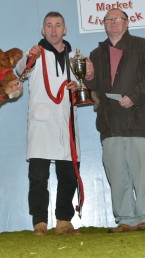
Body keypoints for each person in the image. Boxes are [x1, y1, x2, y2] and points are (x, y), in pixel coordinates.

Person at [15, 11, 82, 236]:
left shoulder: (75, 58)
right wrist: (29, 57)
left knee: (69, 175)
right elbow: (20, 69)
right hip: (42, 123)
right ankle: (40, 223)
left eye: (58, 25)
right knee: (38, 176)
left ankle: (63, 221)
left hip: (66, 122)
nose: (53, 30)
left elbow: (84, 82)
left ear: (65, 30)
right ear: (43, 31)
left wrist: (78, 86)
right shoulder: (35, 53)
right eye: (49, 26)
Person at [85, 8, 145, 233]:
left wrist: (135, 96)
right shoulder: (96, 54)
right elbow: (93, 87)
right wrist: (89, 76)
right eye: (108, 19)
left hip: (138, 121)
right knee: (117, 175)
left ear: (127, 23)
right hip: (109, 124)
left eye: (117, 19)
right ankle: (126, 220)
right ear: (104, 24)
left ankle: (143, 217)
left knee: (142, 174)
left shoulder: (142, 46)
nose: (113, 23)